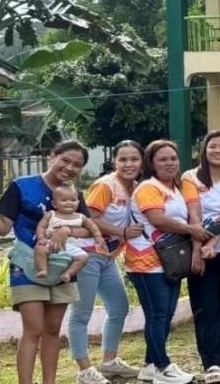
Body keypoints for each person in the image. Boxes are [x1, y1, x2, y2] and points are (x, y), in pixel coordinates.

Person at [0, 141, 93, 384]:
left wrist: (66, 231)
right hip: (27, 264)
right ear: (52, 156)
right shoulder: (22, 186)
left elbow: (88, 230)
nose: (70, 167)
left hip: (64, 265)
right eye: (65, 160)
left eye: (77, 165)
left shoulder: (74, 195)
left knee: (52, 330)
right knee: (33, 329)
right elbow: (3, 228)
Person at [126, 140, 208, 384]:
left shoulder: (176, 187)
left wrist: (192, 232)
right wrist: (192, 230)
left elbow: (189, 215)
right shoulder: (148, 188)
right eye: (162, 159)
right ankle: (163, 366)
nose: (169, 163)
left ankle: (150, 365)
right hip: (146, 261)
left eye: (173, 158)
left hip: (167, 261)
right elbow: (158, 219)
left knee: (165, 314)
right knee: (158, 315)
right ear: (151, 163)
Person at [69, 141, 143, 384]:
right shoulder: (105, 185)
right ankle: (84, 370)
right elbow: (89, 219)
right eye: (123, 159)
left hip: (107, 257)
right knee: (81, 313)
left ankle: (109, 362)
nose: (129, 164)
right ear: (114, 161)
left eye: (134, 159)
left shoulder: (135, 187)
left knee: (119, 308)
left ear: (142, 161)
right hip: (87, 254)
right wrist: (122, 232)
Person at [181, 131, 220, 383]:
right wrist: (199, 249)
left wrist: (212, 242)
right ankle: (211, 362)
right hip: (199, 251)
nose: (218, 151)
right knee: (206, 306)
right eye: (213, 146)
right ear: (204, 149)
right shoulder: (190, 177)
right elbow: (193, 216)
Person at [33, 185, 104, 279]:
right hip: (51, 243)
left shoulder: (80, 217)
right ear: (54, 204)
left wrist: (98, 237)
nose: (69, 203)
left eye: (73, 200)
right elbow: (41, 227)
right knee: (40, 249)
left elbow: (92, 226)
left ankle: (68, 273)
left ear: (78, 202)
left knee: (83, 257)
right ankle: (42, 269)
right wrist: (41, 238)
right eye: (64, 200)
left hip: (71, 245)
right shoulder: (51, 214)